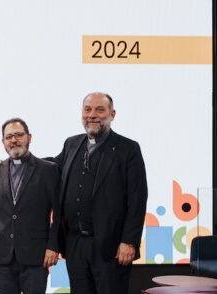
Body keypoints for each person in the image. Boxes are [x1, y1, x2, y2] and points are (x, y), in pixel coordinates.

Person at [53, 92, 147, 294]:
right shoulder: (71, 143)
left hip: (111, 246)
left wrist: (129, 241)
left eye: (99, 110)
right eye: (87, 110)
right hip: (75, 244)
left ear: (112, 114)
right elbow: (52, 166)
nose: (92, 115)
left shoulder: (128, 149)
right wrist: (24, 163)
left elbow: (137, 199)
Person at [0, 118, 60, 294]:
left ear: (29, 137)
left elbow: (59, 212)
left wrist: (53, 246)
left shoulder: (48, 170)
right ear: (3, 142)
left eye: (18, 135)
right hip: (3, 258)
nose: (13, 140)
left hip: (37, 257)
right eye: (8, 137)